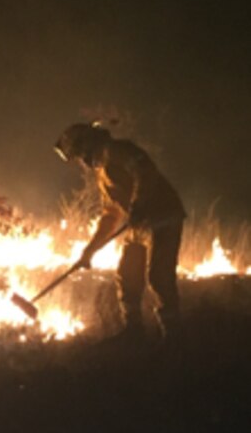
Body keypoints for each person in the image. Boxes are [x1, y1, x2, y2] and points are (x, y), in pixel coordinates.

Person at [54, 122, 186, 341]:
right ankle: (133, 331)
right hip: (139, 224)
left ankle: (173, 336)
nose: (81, 162)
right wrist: (90, 251)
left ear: (85, 146)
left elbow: (145, 170)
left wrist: (138, 203)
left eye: (78, 155)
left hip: (162, 216)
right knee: (127, 274)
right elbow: (111, 215)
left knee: (159, 277)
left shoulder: (116, 150)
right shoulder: (102, 172)